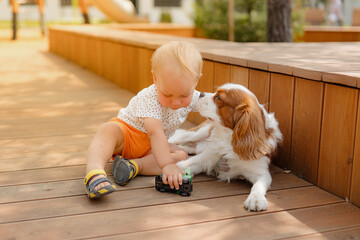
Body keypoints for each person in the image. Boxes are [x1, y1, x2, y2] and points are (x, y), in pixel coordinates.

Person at [84, 41, 203, 199]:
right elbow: (155, 132)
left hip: (150, 147)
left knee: (181, 154)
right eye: (167, 95)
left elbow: (215, 107)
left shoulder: (194, 96)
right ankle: (94, 172)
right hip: (127, 135)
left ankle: (133, 167)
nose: (176, 102)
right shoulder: (149, 97)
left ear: (196, 81)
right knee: (108, 130)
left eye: (183, 96)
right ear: (155, 78)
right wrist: (167, 165)